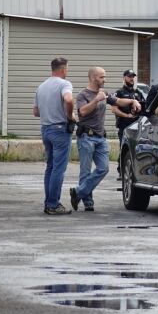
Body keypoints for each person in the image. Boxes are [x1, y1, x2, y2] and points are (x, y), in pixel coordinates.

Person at [70, 67, 141, 212]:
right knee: (85, 171)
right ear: (93, 78)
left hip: (100, 137)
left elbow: (119, 101)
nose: (105, 79)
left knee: (103, 168)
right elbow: (82, 112)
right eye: (102, 77)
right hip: (86, 137)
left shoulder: (105, 93)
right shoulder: (83, 95)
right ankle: (88, 202)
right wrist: (96, 100)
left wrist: (132, 102)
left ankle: (78, 192)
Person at [33, 57, 75, 215]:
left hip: (45, 129)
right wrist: (70, 116)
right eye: (67, 69)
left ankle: (48, 202)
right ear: (63, 69)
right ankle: (53, 204)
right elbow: (69, 99)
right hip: (59, 129)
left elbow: (36, 112)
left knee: (50, 167)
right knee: (59, 168)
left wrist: (49, 111)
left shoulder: (41, 86)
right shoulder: (65, 84)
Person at [112, 69, 145, 179]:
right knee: (124, 149)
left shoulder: (138, 93)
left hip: (137, 127)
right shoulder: (119, 93)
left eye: (133, 76)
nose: (132, 78)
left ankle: (135, 172)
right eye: (129, 76)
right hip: (124, 126)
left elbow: (144, 107)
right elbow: (114, 109)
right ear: (124, 78)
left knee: (136, 150)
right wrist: (126, 116)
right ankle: (122, 171)